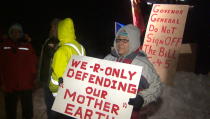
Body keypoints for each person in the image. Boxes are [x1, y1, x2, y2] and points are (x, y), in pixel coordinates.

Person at [104, 24, 161, 119]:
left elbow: (156, 86)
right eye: (118, 40)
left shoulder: (142, 64)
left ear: (133, 42)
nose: (120, 44)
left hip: (131, 114)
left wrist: (142, 98)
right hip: (107, 111)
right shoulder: (109, 58)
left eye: (125, 40)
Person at [48, 18, 86, 119]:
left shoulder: (61, 51)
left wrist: (52, 89)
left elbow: (57, 76)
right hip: (77, 92)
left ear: (60, 32)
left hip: (63, 95)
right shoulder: (81, 47)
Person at [0, 23, 37, 119]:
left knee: (28, 111)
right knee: (10, 111)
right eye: (13, 31)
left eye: (18, 31)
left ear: (21, 33)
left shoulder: (27, 45)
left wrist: (32, 79)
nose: (16, 33)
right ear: (10, 33)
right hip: (9, 85)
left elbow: (33, 63)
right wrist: (2, 82)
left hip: (26, 84)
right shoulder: (4, 46)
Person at [38, 18, 60, 119]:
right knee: (49, 106)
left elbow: (54, 55)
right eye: (52, 26)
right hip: (46, 80)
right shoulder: (48, 40)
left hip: (56, 82)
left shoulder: (61, 42)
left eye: (55, 26)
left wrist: (54, 45)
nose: (52, 29)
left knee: (56, 108)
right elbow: (43, 60)